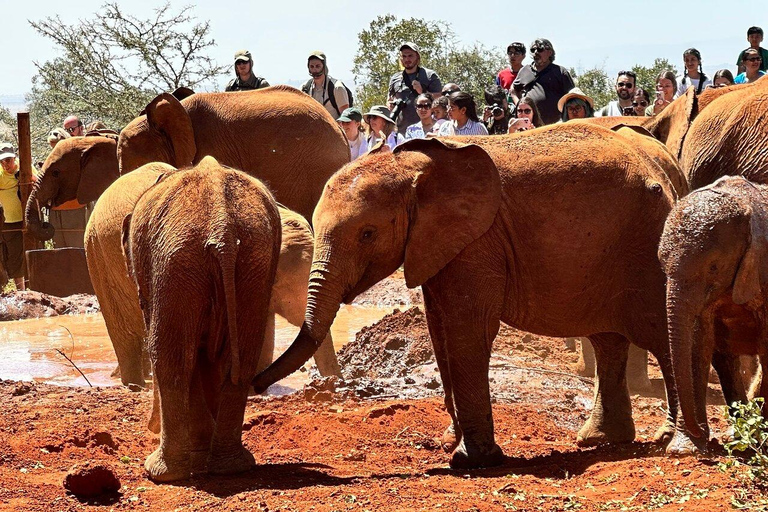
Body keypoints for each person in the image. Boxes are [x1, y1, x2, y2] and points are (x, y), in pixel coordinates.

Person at [512, 38, 575, 125]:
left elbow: (572, 96)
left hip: (555, 124)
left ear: (550, 52)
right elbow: (513, 90)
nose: (536, 52)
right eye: (533, 50)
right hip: (530, 125)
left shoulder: (559, 72)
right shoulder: (525, 70)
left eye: (540, 49)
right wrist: (519, 105)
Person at [387, 42, 443, 135]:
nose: (407, 59)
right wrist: (392, 105)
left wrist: (423, 92)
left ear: (417, 57)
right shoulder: (395, 78)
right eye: (404, 56)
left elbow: (441, 100)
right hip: (402, 131)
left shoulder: (430, 75)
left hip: (428, 130)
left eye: (410, 56)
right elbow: (389, 100)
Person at [0, 143, 27, 289]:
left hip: (26, 220)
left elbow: (37, 181)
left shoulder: (25, 168)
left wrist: (21, 177)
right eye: (2, 161)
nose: (5, 164)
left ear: (14, 158)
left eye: (8, 160)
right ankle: (19, 291)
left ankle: (29, 289)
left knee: (27, 254)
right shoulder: (0, 174)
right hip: (7, 222)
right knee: (11, 256)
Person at [301, 51, 350, 119]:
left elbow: (346, 118)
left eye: (318, 66)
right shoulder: (304, 88)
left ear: (324, 66)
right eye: (311, 67)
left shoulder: (337, 88)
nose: (315, 70)